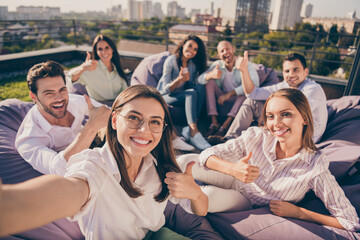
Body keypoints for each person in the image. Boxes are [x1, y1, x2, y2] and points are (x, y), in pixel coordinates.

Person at [0, 85, 210, 239]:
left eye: (155, 122)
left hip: (156, 234)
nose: (144, 130)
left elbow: (201, 209)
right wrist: (10, 205)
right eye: (134, 118)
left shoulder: (161, 166)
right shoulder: (94, 165)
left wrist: (196, 194)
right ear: (115, 120)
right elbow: (70, 190)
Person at [177, 88, 360, 231]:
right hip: (233, 178)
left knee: (206, 197)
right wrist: (232, 169)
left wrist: (299, 212)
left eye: (286, 114)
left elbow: (349, 221)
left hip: (245, 200)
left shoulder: (314, 167)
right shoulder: (258, 136)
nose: (276, 123)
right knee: (184, 161)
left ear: (304, 118)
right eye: (271, 116)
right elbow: (206, 154)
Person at [208, 52, 327, 145]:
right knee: (252, 102)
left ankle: (240, 144)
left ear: (306, 71)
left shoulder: (313, 89)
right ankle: (229, 139)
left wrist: (266, 124)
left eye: (296, 70)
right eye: (287, 71)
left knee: (265, 125)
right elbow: (253, 94)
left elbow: (296, 115)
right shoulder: (285, 85)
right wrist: (244, 71)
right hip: (285, 125)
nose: (291, 75)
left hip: (304, 136)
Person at [15, 61, 110, 176]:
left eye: (62, 90)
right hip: (73, 164)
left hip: (92, 142)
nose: (59, 98)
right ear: (33, 96)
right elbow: (57, 168)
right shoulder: (29, 138)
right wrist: (91, 127)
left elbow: (107, 111)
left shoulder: (74, 102)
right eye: (49, 93)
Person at [156, 35, 210, 150]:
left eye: (195, 49)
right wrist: (179, 80)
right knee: (190, 93)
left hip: (182, 97)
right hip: (165, 96)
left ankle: (189, 127)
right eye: (190, 46)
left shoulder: (192, 65)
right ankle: (193, 131)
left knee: (199, 88)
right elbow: (165, 89)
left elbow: (192, 88)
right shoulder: (171, 61)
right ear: (183, 45)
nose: (192, 51)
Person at [198, 41, 259, 138]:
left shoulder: (244, 64)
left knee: (246, 92)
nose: (225, 52)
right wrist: (210, 75)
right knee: (209, 82)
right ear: (219, 55)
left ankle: (225, 126)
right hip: (221, 101)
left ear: (233, 49)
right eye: (222, 51)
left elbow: (255, 84)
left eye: (227, 49)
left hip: (237, 102)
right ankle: (214, 123)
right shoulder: (217, 65)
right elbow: (199, 80)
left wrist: (229, 94)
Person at [69, 34, 128, 105]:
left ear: (112, 49)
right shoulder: (91, 68)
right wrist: (83, 67)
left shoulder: (116, 67)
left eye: (107, 48)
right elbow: (70, 76)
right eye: (100, 49)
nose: (104, 52)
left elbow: (125, 89)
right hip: (99, 106)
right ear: (96, 52)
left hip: (119, 104)